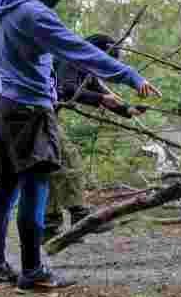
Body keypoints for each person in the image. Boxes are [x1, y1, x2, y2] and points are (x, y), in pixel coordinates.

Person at [0, 0, 161, 293]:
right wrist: (129, 75)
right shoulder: (35, 13)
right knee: (36, 189)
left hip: (5, 108)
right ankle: (33, 271)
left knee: (6, 188)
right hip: (32, 111)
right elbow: (79, 50)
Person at [45, 33, 148, 241]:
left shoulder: (87, 68)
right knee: (68, 159)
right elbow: (66, 88)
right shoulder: (70, 58)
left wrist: (129, 110)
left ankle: (48, 225)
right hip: (35, 113)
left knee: (49, 167)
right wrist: (101, 98)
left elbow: (99, 94)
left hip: (44, 113)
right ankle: (79, 215)